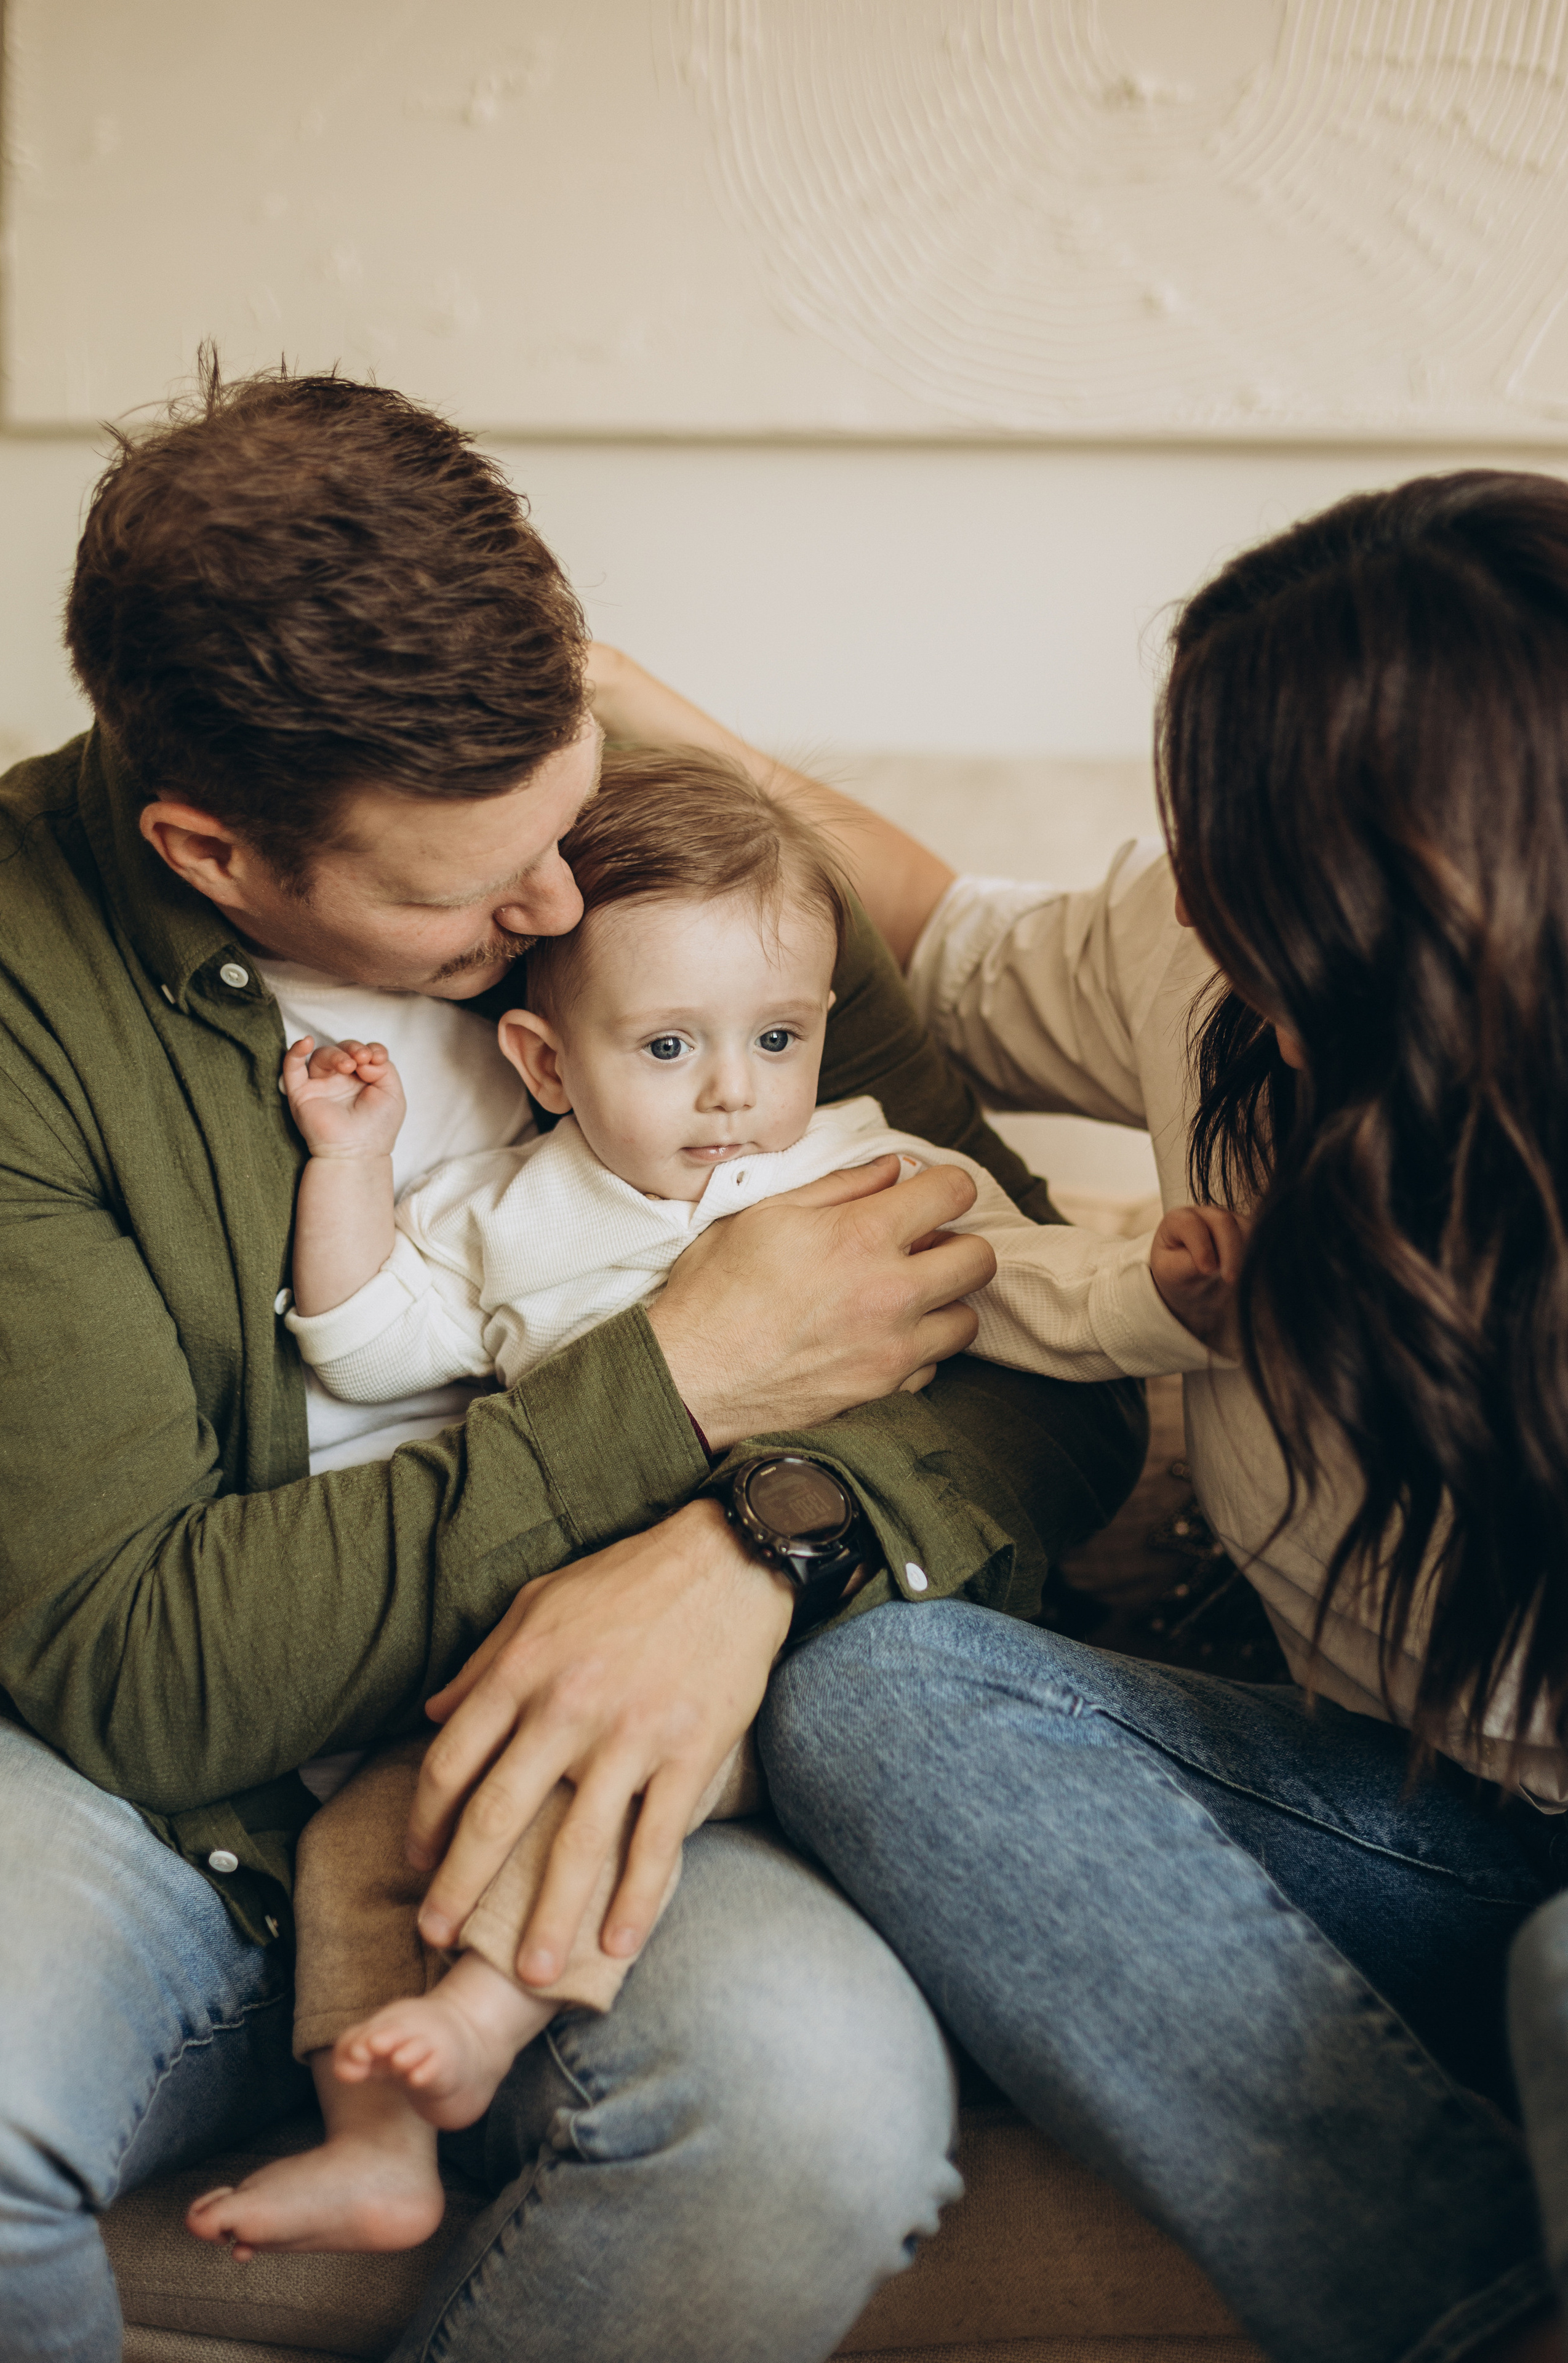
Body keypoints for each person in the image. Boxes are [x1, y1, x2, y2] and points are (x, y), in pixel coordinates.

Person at [0, 358, 1147, 2363]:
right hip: (152, 1800)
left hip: (595, 1738)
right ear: (213, 854)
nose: (559, 899)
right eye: (469, 891)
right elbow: (134, 1664)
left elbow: (1029, 1336)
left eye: (568, 812)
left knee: (810, 2112)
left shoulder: (635, 801)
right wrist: (679, 1384)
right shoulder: (20, 997)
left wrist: (749, 1552)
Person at [184, 747, 1240, 2260]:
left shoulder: (868, 1167)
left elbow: (1037, 1299)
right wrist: (346, 1169)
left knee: (603, 1774)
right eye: (668, 1046)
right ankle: (377, 2136)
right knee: (364, 1835)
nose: (735, 1090)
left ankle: (488, 2011)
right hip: (535, 1629)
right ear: (548, 1066)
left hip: (806, 1646)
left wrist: (1158, 1292)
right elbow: (374, 1338)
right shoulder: (511, 1210)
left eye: (776, 1036)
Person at [755, 470, 1568, 2363]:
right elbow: (926, 931)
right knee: (882, 1699)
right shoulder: (1203, 970)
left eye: (1247, 850)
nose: (1191, 882)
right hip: (1410, 1822)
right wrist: (593, 693)